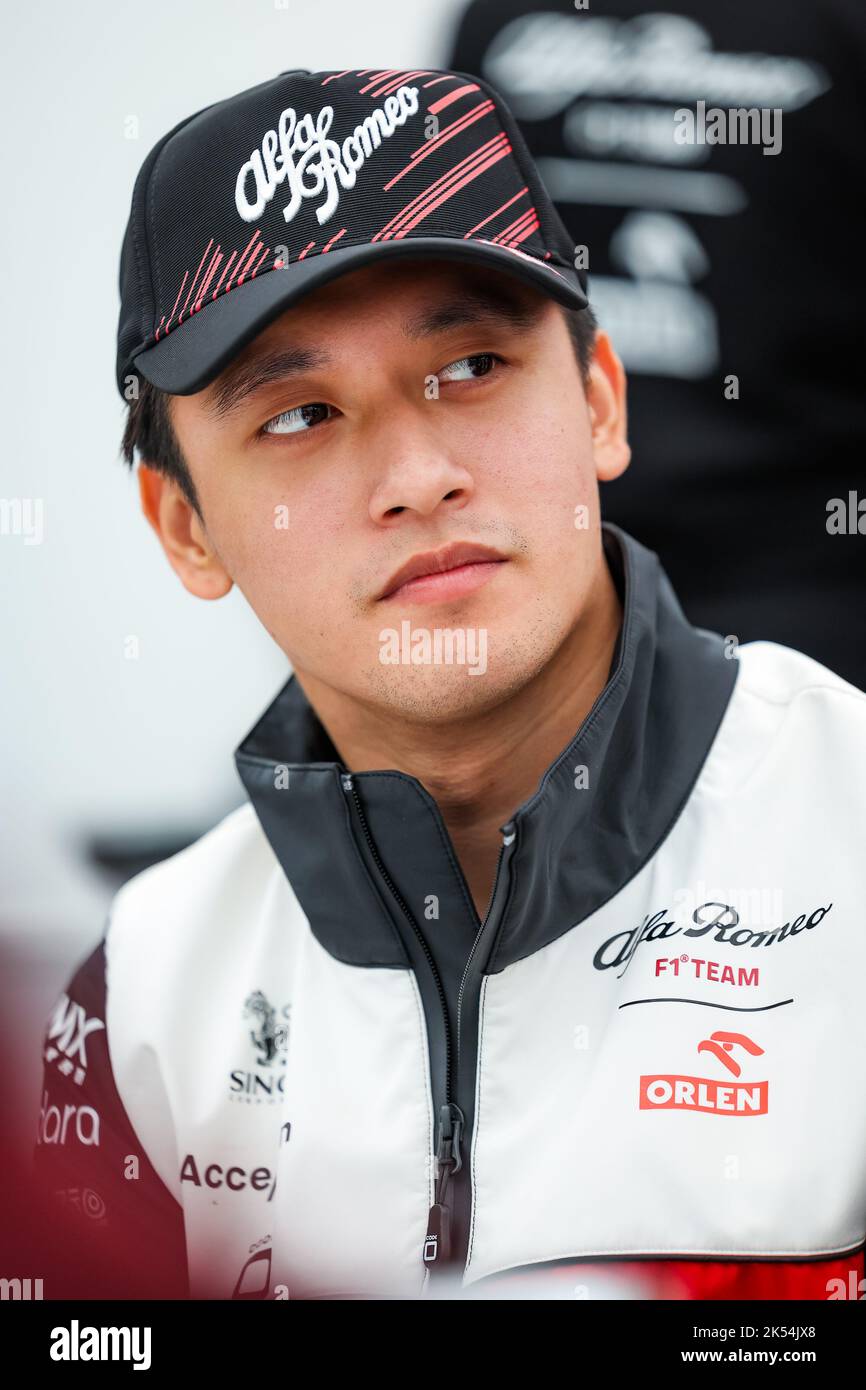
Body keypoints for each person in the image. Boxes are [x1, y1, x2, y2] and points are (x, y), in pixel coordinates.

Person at [33, 65, 866, 1302]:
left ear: (595, 401)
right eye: (302, 414)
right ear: (184, 527)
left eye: (472, 367)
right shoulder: (140, 998)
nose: (417, 474)